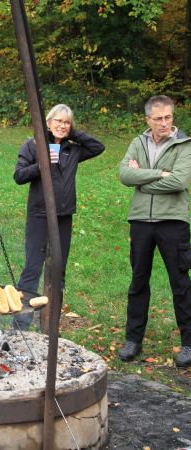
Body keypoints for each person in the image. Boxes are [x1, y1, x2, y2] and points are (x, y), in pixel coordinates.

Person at [13, 104, 105, 330]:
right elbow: (19, 175)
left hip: (63, 217)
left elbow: (98, 147)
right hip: (39, 215)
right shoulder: (34, 145)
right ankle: (20, 326)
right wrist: (42, 164)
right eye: (58, 121)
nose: (62, 125)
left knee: (58, 269)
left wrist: (71, 134)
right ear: (48, 122)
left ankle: (50, 325)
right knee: (32, 268)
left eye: (67, 122)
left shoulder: (73, 150)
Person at [119, 95, 191, 367]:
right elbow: (125, 175)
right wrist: (158, 174)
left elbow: (179, 181)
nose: (164, 123)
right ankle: (133, 341)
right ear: (148, 119)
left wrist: (144, 179)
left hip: (173, 221)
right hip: (140, 221)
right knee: (138, 282)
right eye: (158, 118)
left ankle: (189, 344)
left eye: (168, 117)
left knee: (180, 283)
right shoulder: (138, 142)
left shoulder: (184, 145)